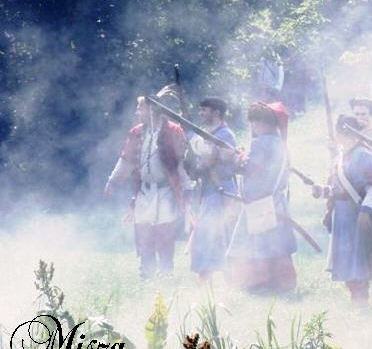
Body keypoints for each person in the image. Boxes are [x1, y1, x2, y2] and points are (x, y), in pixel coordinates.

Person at [105, 90, 188, 280]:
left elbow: (182, 162)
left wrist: (188, 188)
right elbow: (126, 160)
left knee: (165, 234)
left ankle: (166, 273)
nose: (137, 112)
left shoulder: (173, 130)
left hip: (166, 190)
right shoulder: (137, 132)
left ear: (152, 109)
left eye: (140, 108)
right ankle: (146, 274)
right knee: (143, 233)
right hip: (144, 191)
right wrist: (113, 180)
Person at [312, 115, 372, 307]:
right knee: (346, 260)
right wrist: (323, 191)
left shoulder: (363, 155)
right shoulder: (342, 155)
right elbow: (338, 189)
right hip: (341, 215)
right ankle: (356, 301)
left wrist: (365, 211)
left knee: (358, 261)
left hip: (356, 214)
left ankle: (361, 302)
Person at [226, 102, 297, 292]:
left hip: (260, 205)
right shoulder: (280, 144)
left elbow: (250, 170)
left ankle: (260, 286)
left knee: (253, 250)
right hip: (276, 203)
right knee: (279, 249)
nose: (252, 126)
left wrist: (234, 158)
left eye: (254, 122)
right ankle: (283, 286)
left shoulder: (260, 143)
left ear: (258, 123)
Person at [185, 97, 237, 284]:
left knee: (213, 236)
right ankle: (208, 283)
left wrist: (191, 135)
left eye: (204, 110)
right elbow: (201, 160)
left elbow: (208, 154)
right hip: (210, 190)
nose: (201, 114)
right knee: (211, 237)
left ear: (216, 112)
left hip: (221, 190)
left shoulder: (225, 135)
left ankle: (224, 283)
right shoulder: (209, 134)